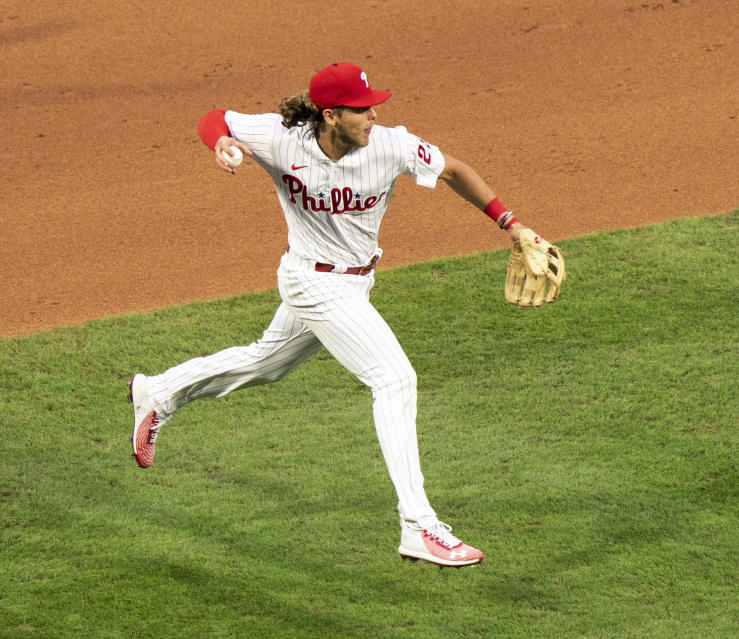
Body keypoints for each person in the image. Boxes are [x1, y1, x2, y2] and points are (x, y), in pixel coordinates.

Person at [128, 62, 551, 568]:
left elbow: (454, 170)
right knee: (395, 380)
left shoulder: (391, 145)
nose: (374, 115)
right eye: (362, 109)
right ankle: (418, 526)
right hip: (310, 280)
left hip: (355, 282)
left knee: (268, 363)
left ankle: (160, 390)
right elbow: (215, 117)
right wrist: (221, 142)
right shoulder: (281, 138)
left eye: (374, 106)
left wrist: (512, 225)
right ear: (330, 115)